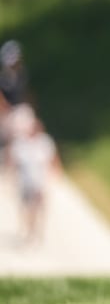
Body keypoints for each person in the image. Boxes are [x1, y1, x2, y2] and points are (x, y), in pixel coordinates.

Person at [4, 105, 60, 246]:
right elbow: (13, 160)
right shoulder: (21, 143)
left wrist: (56, 173)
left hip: (39, 180)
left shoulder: (44, 142)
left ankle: (37, 230)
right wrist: (10, 176)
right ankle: (28, 229)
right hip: (25, 180)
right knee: (26, 206)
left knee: (39, 206)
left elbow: (52, 159)